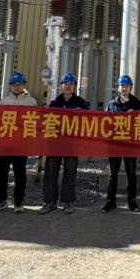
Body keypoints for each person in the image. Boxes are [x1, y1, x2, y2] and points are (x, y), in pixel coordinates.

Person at [0, 72, 38, 214]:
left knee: (20, 173)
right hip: (4, 143)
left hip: (21, 144)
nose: (17, 87)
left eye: (19, 84)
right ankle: (1, 200)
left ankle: (18, 201)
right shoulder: (4, 101)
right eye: (14, 84)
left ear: (24, 85)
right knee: (1, 174)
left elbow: (36, 121)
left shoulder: (31, 102)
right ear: (10, 86)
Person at [42, 72, 88, 215]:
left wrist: (81, 113)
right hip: (54, 143)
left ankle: (68, 201)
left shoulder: (81, 103)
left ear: (75, 86)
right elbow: (45, 122)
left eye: (71, 84)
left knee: (70, 172)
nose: (68, 86)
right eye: (65, 84)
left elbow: (89, 121)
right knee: (51, 172)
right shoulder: (54, 104)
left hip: (71, 144)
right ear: (61, 86)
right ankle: (50, 202)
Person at [103, 75, 140, 212]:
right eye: (122, 85)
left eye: (127, 85)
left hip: (130, 144)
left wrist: (136, 114)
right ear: (118, 88)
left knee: (131, 172)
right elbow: (104, 124)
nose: (124, 88)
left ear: (131, 87)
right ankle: (110, 201)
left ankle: (131, 200)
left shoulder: (136, 104)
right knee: (113, 174)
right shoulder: (111, 104)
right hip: (115, 144)